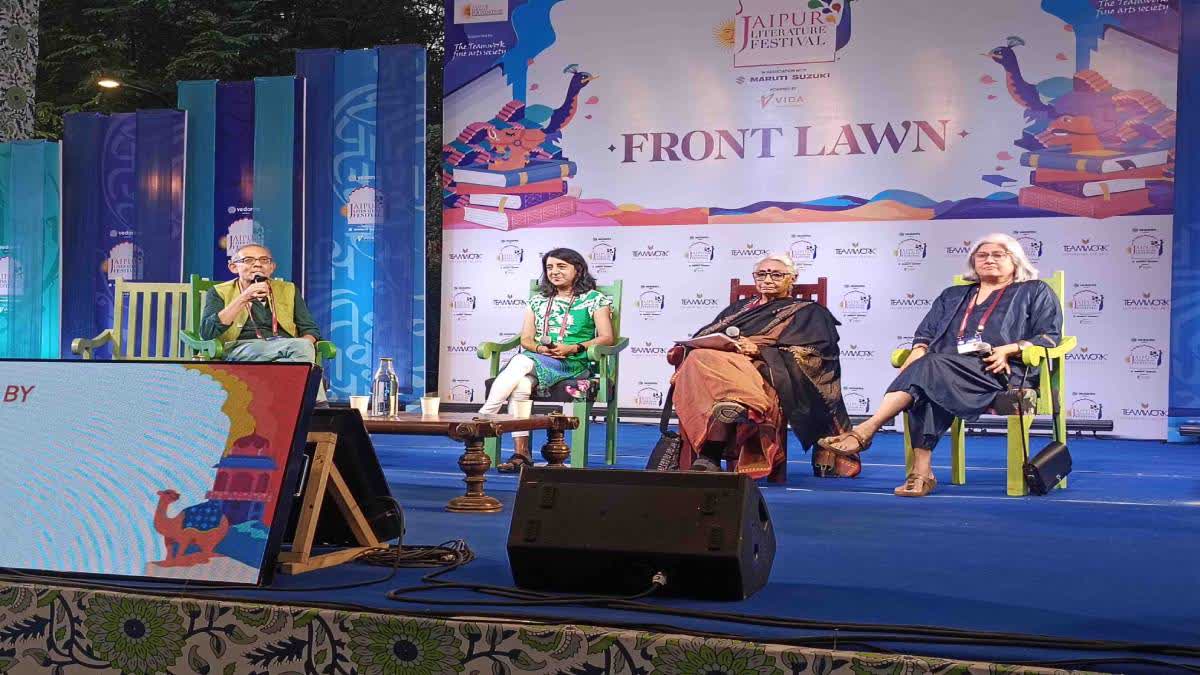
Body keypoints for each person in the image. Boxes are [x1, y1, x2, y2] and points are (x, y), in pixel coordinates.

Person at [816, 233, 1062, 497]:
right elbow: (926, 331)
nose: (988, 259)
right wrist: (918, 349)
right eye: (982, 255)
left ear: (1015, 260)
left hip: (996, 371)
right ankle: (920, 475)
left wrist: (1010, 348)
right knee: (926, 380)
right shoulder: (953, 295)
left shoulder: (1034, 290)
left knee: (927, 371)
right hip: (942, 370)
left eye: (998, 254)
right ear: (973, 262)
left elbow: (1050, 336)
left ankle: (870, 431)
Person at [670, 253, 857, 481]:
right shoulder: (740, 308)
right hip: (724, 362)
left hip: (764, 365)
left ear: (793, 278)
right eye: (761, 274)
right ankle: (740, 404)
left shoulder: (809, 311)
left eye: (776, 274)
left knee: (703, 361)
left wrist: (759, 350)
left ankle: (711, 454)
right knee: (698, 357)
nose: (767, 279)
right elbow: (710, 333)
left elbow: (817, 354)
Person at [479, 247, 614, 472]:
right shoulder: (539, 300)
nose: (554, 272)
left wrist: (574, 347)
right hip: (540, 359)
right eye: (550, 267)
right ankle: (521, 454)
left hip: (574, 363)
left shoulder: (594, 299)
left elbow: (607, 338)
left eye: (561, 266)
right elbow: (526, 339)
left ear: (578, 270)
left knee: (521, 362)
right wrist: (541, 347)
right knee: (521, 383)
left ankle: (484, 417)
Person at [198, 244, 323, 367]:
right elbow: (207, 332)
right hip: (240, 347)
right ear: (233, 267)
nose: (257, 264)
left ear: (272, 267)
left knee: (300, 350)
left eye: (264, 260)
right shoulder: (219, 291)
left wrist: (304, 345)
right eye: (248, 260)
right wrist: (244, 297)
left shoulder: (288, 289)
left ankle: (274, 380)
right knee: (306, 365)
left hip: (286, 346)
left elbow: (310, 329)